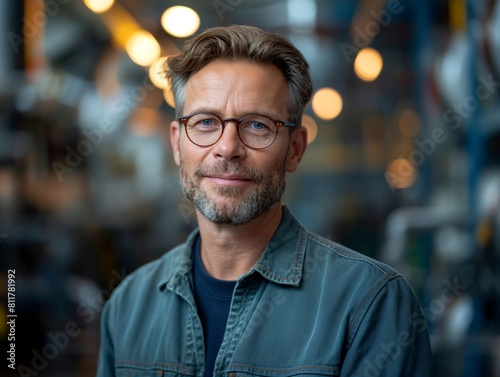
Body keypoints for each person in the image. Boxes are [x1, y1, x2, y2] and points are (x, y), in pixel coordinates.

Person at [97, 25, 432, 376]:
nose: (227, 147)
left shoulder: (369, 305)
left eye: (257, 125)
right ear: (177, 143)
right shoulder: (128, 307)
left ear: (295, 149)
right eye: (206, 121)